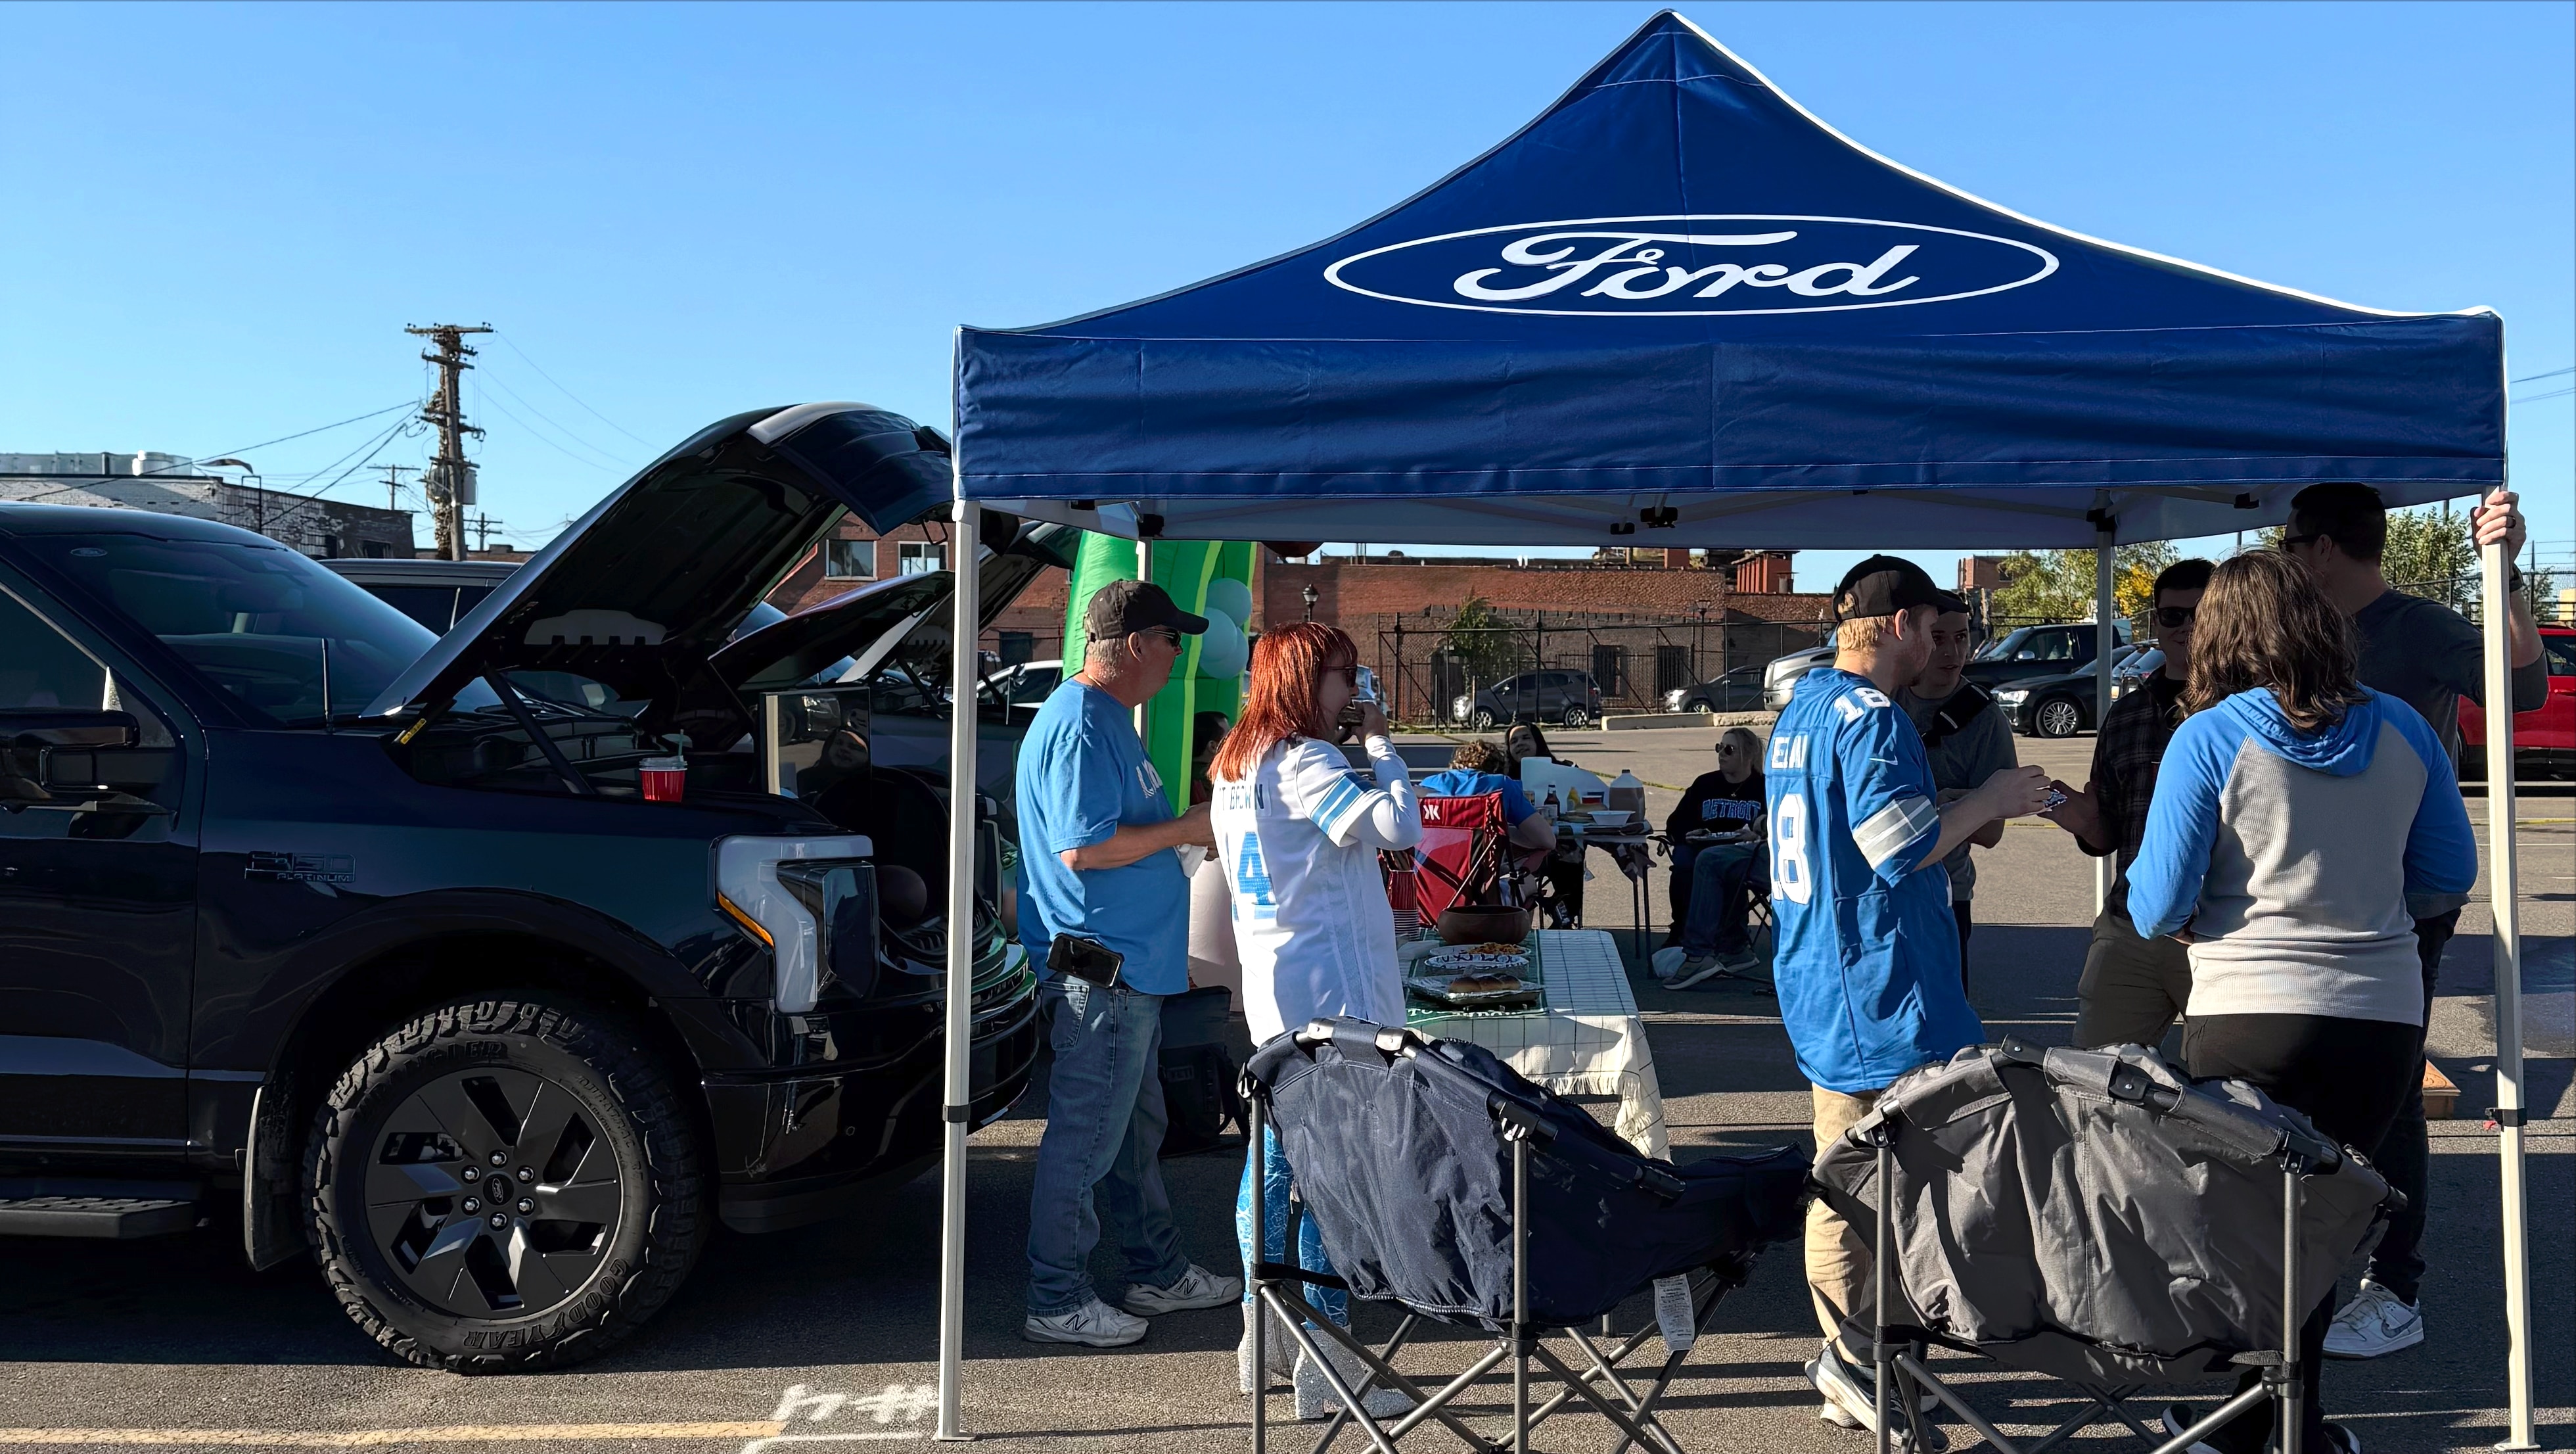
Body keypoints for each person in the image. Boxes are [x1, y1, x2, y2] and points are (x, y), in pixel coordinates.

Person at [2127, 550, 2476, 1454]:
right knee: (2321, 1230)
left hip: (2250, 1009)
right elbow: (2448, 874)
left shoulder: (2208, 737)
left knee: (2241, 1232)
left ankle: (2235, 1424)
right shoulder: (2403, 728)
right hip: (2381, 1020)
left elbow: (2156, 902)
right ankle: (2295, 1429)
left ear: (2221, 636)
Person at [1768, 556, 2053, 1434]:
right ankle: (1860, 1360)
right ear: (1900, 625)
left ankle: (1859, 1359)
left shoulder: (1802, 709)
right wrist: (1996, 796)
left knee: (1848, 1175)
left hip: (1826, 975)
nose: (1941, 645)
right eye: (1933, 627)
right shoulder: (1872, 715)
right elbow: (1899, 847)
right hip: (1880, 987)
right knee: (1879, 1187)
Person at [2279, 483, 2546, 1362]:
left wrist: (2504, 572)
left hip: (2406, 902)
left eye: (2290, 544)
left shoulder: (2418, 626)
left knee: (2390, 1094)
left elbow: (2523, 689)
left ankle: (2395, 1288)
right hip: (2306, 899)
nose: (2285, 560)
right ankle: (2300, 1271)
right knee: (2303, 1088)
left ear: (2322, 547)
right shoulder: (2299, 629)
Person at [1014, 580, 1241, 1348]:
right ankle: (1058, 1296)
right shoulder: (1082, 721)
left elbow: (1113, 836)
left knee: (1133, 1135)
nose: (1181, 653)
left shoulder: (1101, 717)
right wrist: (1187, 826)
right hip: (1101, 974)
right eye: (1173, 639)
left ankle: (1156, 1270)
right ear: (1138, 644)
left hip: (1120, 971)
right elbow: (1084, 847)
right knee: (1086, 1141)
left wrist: (1181, 832)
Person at [1208, 623, 1422, 1420]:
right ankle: (1325, 1355)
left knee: (1271, 1166)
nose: (1354, 691)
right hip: (1333, 1004)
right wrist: (1383, 747)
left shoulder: (1233, 764)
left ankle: (1259, 1332)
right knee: (1327, 1177)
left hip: (1275, 992)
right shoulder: (1307, 760)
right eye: (1344, 675)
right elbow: (1401, 828)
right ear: (1304, 679)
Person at [2044, 559, 2211, 1050]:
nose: (2186, 627)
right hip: (2132, 925)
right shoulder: (2128, 714)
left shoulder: (2246, 709)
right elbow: (2108, 835)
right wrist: (2084, 823)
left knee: (2234, 1103)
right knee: (2091, 1080)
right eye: (2173, 615)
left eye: (2200, 615)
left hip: (2219, 932)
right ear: (2156, 622)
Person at [1896, 594, 2016, 985]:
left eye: (1962, 638)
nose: (1952, 652)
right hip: (1879, 888)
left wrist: (1947, 809)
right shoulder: (1883, 700)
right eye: (1938, 638)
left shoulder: (1983, 717)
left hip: (1946, 893)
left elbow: (1992, 831)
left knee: (1948, 1032)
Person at [1651, 726, 1768, 987]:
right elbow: (1676, 822)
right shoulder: (1705, 783)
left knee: (1720, 867)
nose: (1721, 754)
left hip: (1743, 854)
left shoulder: (1763, 787)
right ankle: (1681, 930)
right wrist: (1689, 833)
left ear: (1748, 755)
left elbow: (1771, 828)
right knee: (1684, 862)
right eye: (1719, 748)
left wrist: (1755, 834)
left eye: (1729, 749)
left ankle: (1726, 945)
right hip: (1701, 848)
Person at [1503, 722, 1585, 924]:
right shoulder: (1503, 779)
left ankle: (1564, 919)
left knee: (1570, 856)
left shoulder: (1563, 771)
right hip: (1518, 851)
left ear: (1538, 741)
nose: (1520, 744)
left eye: (1526, 738)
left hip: (1558, 846)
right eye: (1514, 741)